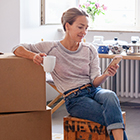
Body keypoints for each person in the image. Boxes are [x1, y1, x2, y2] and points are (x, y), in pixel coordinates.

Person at [12, 7, 128, 140]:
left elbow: (95, 81)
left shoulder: (90, 49)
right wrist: (33, 56)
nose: (84, 32)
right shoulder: (51, 47)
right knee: (111, 116)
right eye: (80, 27)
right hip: (75, 99)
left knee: (110, 95)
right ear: (68, 26)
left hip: (94, 91)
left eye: (86, 28)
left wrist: (106, 74)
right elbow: (16, 48)